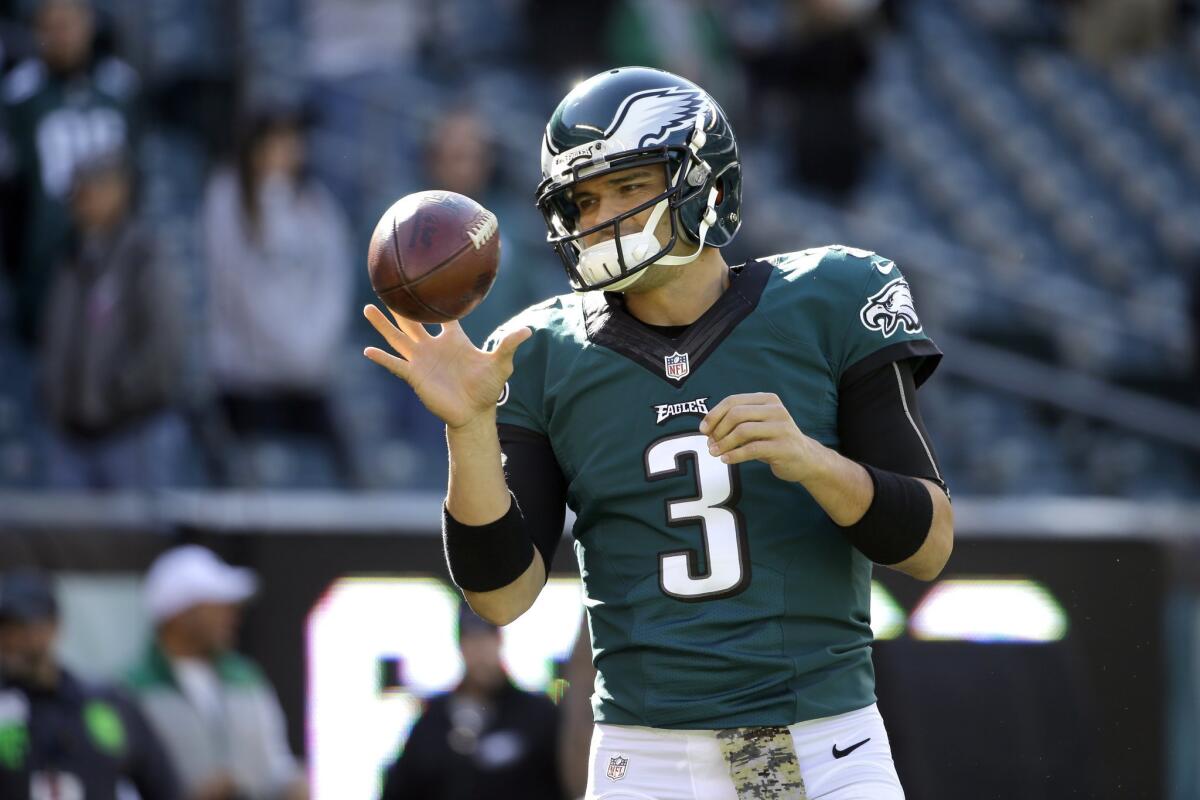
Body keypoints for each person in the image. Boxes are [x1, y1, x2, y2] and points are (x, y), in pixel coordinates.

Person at [363, 67, 954, 799]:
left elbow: (928, 546)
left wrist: (811, 461)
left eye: (627, 185)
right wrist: (469, 426)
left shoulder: (831, 297)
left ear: (702, 180)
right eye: (582, 200)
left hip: (813, 742)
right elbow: (503, 596)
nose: (600, 216)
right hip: (644, 762)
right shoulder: (543, 349)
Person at [202, 105, 354, 487]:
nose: (286, 150)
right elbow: (236, 287)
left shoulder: (317, 202)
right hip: (246, 382)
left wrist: (313, 348)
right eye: (275, 140)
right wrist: (292, 349)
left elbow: (336, 279)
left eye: (292, 140)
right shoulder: (226, 197)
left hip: (308, 377)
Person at [37, 150, 188, 489]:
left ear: (120, 189)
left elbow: (166, 345)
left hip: (132, 431)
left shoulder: (144, 255)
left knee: (139, 539)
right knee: (67, 540)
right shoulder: (69, 257)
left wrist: (118, 392)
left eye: (90, 188)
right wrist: (58, 396)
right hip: (71, 436)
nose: (81, 199)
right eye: (77, 190)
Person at [0, 0, 139, 346]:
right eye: (50, 25)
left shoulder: (121, 87)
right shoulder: (19, 95)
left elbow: (139, 176)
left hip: (113, 262)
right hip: (44, 264)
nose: (61, 35)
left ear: (90, 22)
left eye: (69, 23)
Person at [126, 545, 308, 800]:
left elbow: (274, 765)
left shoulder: (248, 679)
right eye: (217, 606)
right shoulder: (131, 692)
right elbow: (122, 784)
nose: (231, 616)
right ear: (181, 614)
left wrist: (292, 783)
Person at [0, 569, 180, 800]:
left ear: (54, 626)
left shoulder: (105, 703)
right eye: (4, 631)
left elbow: (162, 785)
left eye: (21, 629)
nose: (11, 642)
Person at [379, 603, 563, 800]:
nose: (480, 652)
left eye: (486, 639)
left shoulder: (537, 716)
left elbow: (566, 784)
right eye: (472, 640)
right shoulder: (433, 719)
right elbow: (401, 787)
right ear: (461, 646)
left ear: (499, 641)